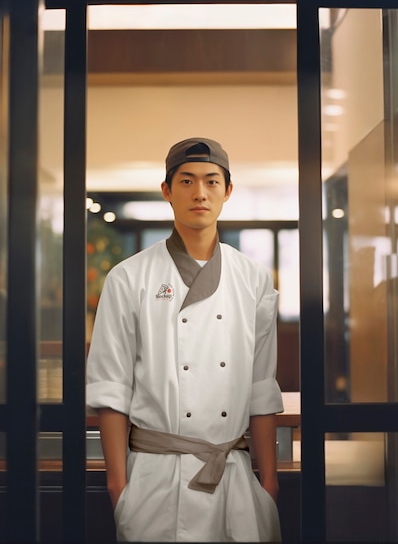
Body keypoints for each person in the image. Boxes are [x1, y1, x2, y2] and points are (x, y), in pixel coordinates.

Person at [86, 137, 284, 542]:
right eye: (187, 181)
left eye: (212, 182)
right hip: (155, 480)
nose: (200, 193)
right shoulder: (129, 277)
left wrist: (269, 482)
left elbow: (261, 387)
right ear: (167, 191)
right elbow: (111, 388)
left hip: (234, 476)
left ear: (228, 191)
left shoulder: (254, 278)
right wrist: (118, 487)